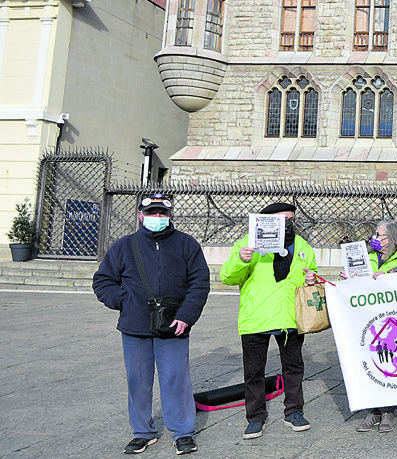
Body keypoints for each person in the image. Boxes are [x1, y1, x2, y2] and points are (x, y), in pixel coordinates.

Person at [93, 193, 209, 455]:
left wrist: (187, 315)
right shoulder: (124, 246)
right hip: (135, 327)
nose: (157, 218)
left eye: (162, 214)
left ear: (169, 216)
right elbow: (102, 281)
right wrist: (123, 301)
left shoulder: (187, 245)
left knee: (176, 379)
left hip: (174, 325)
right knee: (138, 380)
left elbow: (199, 283)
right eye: (152, 213)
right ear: (140, 215)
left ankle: (182, 431)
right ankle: (143, 431)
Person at [220, 202, 317, 439]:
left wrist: (312, 278)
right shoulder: (246, 244)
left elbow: (310, 273)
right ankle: (255, 418)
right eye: (282, 219)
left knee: (294, 369)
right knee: (254, 373)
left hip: (290, 317)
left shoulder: (302, 245)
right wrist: (241, 260)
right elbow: (227, 277)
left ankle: (294, 411)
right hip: (256, 318)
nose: (288, 223)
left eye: (291, 219)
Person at [349, 219, 397, 433]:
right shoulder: (366, 257)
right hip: (367, 318)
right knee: (369, 362)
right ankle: (373, 410)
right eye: (375, 234)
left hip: (392, 321)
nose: (375, 239)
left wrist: (389, 279)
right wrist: (347, 279)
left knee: (388, 364)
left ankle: (388, 411)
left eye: (380, 235)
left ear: (392, 238)